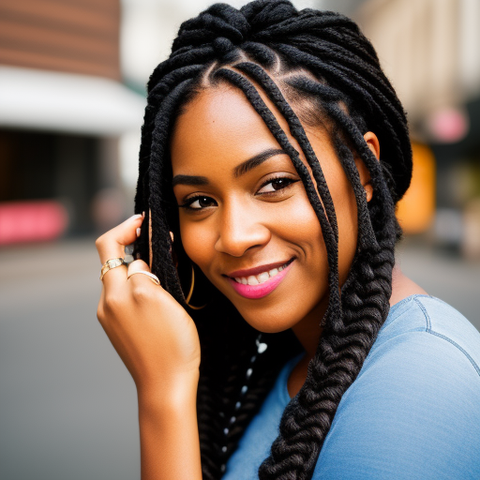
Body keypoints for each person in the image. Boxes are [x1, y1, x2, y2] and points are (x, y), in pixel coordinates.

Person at [95, 1, 480, 479]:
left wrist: (163, 394)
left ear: (361, 170)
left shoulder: (420, 383)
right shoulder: (289, 366)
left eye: (275, 183)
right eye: (198, 201)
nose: (235, 238)